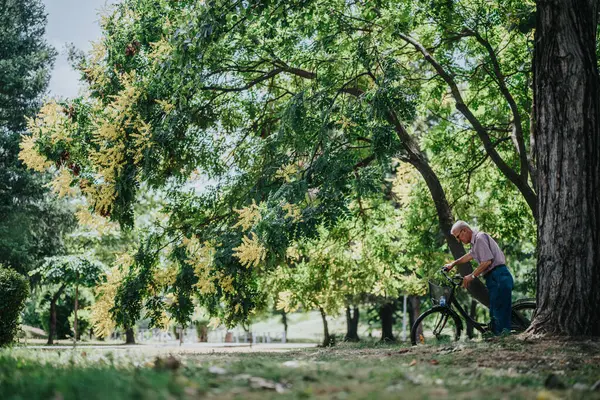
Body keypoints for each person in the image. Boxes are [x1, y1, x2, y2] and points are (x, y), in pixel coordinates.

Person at [443, 221, 514, 335]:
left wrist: (471, 276)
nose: (458, 240)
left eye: (458, 236)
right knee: (495, 311)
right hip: (493, 277)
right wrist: (453, 264)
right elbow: (470, 255)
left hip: (498, 276)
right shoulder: (475, 243)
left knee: (500, 311)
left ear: (465, 230)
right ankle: (498, 338)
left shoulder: (480, 238)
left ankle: (505, 338)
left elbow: (486, 261)